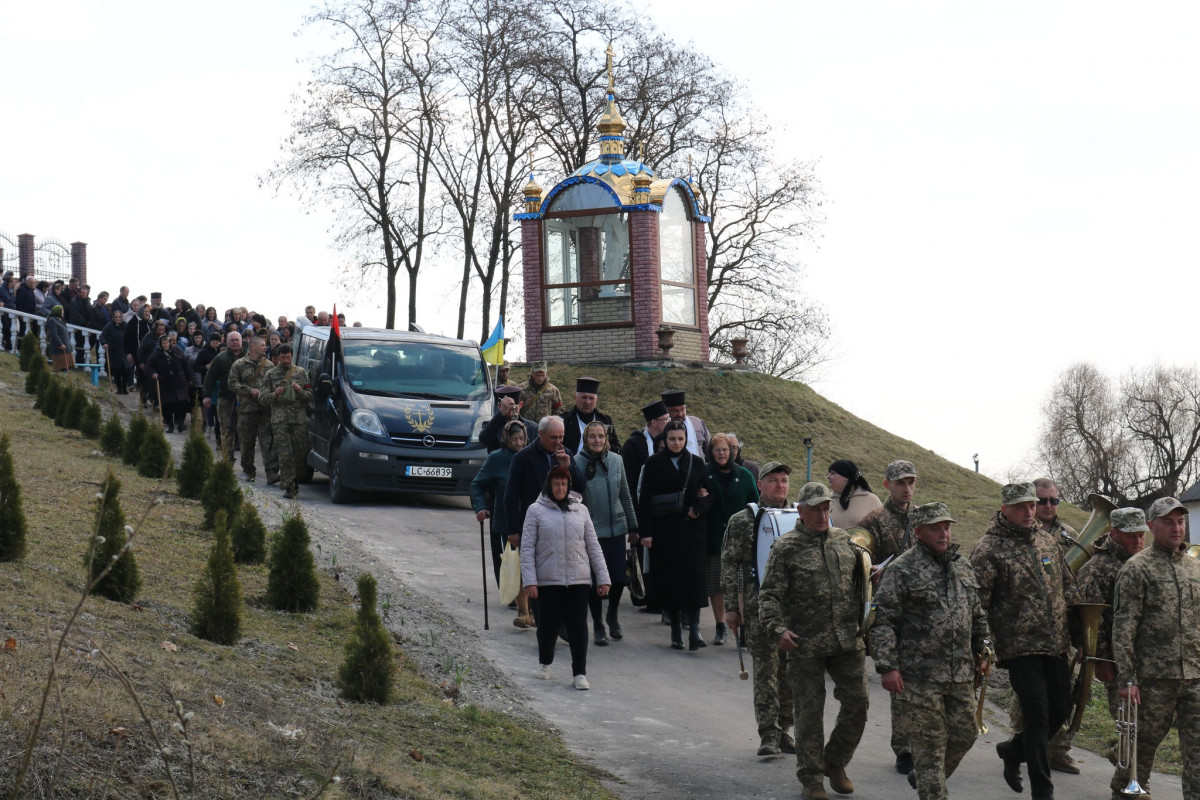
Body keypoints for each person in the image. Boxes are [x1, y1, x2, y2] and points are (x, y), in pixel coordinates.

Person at [870, 502, 992, 800]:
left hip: (960, 673)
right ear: (919, 532)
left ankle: (926, 774)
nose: (943, 533)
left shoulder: (962, 565)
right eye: (936, 528)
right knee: (930, 746)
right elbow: (882, 621)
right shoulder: (902, 569)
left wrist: (985, 647)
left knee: (966, 734)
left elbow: (976, 614)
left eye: (947, 527)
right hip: (918, 677)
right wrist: (888, 666)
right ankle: (930, 783)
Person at [759, 481, 868, 800]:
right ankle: (811, 778)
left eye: (826, 508)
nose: (823, 514)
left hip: (846, 640)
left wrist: (870, 572)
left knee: (858, 703)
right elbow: (769, 595)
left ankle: (834, 762)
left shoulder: (844, 540)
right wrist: (778, 630)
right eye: (816, 509)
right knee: (809, 712)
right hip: (804, 643)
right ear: (801, 511)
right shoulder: (786, 546)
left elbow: (858, 581)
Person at [970, 482, 1074, 800]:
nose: (1029, 511)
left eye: (1031, 505)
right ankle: (1043, 790)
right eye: (1021, 507)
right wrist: (982, 645)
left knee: (1060, 710)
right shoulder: (988, 550)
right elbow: (977, 604)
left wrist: (1082, 636)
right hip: (1019, 648)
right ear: (1005, 510)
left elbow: (1068, 588)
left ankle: (1013, 750)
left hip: (1056, 644)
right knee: (1038, 717)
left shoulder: (1047, 541)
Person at [1111, 496, 1200, 800]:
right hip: (1152, 681)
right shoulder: (1137, 568)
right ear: (1151, 526)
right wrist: (1127, 679)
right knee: (1139, 756)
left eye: (1180, 521)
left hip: (1195, 678)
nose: (1176, 528)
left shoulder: (1194, 569)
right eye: (1167, 521)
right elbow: (1124, 626)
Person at [721, 461, 797, 757]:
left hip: (794, 610)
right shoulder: (743, 520)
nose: (780, 486)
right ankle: (768, 733)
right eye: (774, 480)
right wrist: (731, 607)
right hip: (759, 610)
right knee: (766, 672)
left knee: (789, 674)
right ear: (760, 485)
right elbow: (730, 564)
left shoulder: (799, 518)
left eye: (784, 481)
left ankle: (785, 730)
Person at [521, 465, 611, 690]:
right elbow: (527, 548)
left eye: (564, 484)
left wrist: (603, 577)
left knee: (578, 626)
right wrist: (530, 581)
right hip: (548, 580)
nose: (560, 488)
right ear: (548, 485)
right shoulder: (535, 510)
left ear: (569, 486)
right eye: (556, 484)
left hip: (578, 579)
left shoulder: (581, 511)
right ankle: (545, 662)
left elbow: (593, 546)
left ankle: (579, 672)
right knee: (548, 624)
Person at [1070, 506, 1147, 765]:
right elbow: (1089, 619)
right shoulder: (1096, 568)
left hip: (1149, 657)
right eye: (1131, 536)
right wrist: (1100, 659)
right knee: (1130, 720)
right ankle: (1129, 780)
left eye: (1141, 535)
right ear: (1113, 533)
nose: (1138, 541)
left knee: (1149, 723)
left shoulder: (1145, 562)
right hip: (1117, 660)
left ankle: (1123, 757)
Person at [855, 459, 919, 775]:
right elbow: (860, 561)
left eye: (911, 483)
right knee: (901, 679)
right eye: (900, 483)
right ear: (887, 486)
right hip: (891, 611)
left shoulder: (924, 518)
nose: (907, 489)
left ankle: (925, 741)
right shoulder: (874, 522)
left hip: (922, 609)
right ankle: (904, 749)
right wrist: (873, 571)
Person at [637, 419, 715, 651]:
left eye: (681, 439)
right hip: (665, 531)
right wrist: (646, 533)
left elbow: (709, 493)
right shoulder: (653, 464)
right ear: (665, 439)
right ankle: (675, 632)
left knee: (694, 579)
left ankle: (695, 629)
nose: (677, 443)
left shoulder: (697, 463)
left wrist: (699, 507)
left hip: (692, 530)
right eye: (672, 439)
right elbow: (644, 500)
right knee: (670, 580)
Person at [574, 420, 638, 646]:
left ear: (607, 438)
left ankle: (612, 614)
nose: (597, 440)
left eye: (601, 436)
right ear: (586, 438)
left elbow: (625, 495)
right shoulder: (577, 462)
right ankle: (598, 623)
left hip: (616, 529)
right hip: (591, 532)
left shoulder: (617, 461)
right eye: (592, 436)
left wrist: (633, 525)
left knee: (619, 578)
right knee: (594, 581)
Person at [470, 420, 533, 627]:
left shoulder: (531, 456)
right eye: (514, 439)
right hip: (508, 521)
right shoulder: (497, 459)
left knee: (532, 565)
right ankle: (523, 611)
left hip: (532, 520)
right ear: (506, 439)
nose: (519, 443)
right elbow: (478, 484)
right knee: (516, 565)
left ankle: (534, 611)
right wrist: (480, 507)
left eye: (522, 438)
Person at [704, 432, 758, 646]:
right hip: (714, 538)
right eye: (717, 450)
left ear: (733, 452)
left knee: (741, 585)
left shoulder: (744, 475)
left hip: (741, 541)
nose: (722, 454)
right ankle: (720, 626)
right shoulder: (705, 473)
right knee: (716, 584)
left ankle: (742, 626)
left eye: (725, 449)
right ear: (711, 452)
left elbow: (755, 504)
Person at [261, 344, 312, 499]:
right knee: (285, 454)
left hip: (298, 420)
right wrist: (274, 395)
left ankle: (297, 477)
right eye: (282, 358)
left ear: (292, 356)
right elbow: (262, 399)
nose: (285, 360)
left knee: (302, 453)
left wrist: (299, 391)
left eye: (288, 357)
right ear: (278, 357)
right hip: (280, 420)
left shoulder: (301, 373)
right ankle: (290, 486)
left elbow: (309, 395)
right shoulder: (270, 374)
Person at [228, 335, 278, 483]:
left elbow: (274, 384)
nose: (265, 347)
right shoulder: (239, 364)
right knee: (247, 442)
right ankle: (249, 471)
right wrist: (249, 390)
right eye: (262, 345)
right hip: (246, 411)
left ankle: (271, 473)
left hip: (265, 410)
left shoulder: (269, 366)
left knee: (267, 442)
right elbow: (231, 383)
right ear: (253, 347)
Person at [203, 331, 243, 461]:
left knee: (244, 431)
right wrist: (207, 395)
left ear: (241, 341)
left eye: (237, 340)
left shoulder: (250, 356)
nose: (235, 342)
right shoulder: (220, 358)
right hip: (226, 399)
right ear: (227, 342)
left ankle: (247, 464)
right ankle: (227, 459)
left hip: (245, 400)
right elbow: (210, 378)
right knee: (226, 429)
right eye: (232, 340)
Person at [145, 334, 195, 432]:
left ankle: (181, 423)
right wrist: (153, 373)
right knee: (167, 406)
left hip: (179, 383)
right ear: (160, 344)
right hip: (165, 385)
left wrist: (190, 378)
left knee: (181, 404)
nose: (166, 345)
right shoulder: (156, 355)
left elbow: (186, 365)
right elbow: (148, 368)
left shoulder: (177, 351)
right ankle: (170, 424)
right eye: (164, 343)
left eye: (167, 342)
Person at [562, 376, 621, 455]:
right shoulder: (564, 420)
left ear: (596, 400)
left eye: (591, 398)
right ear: (575, 398)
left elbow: (619, 450)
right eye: (584, 397)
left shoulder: (605, 420)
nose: (587, 402)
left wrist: (609, 447)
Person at [826, 459, 882, 529]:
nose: (828, 477)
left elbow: (882, 529)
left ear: (845, 477)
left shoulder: (871, 500)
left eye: (832, 473)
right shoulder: (826, 500)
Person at [480, 384, 536, 453]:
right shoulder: (492, 425)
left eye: (513, 409)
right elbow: (484, 440)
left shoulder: (532, 427)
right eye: (507, 409)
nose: (510, 413)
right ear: (499, 406)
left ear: (521, 405)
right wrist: (501, 414)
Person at [660, 389, 711, 460]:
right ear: (666, 411)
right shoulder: (659, 426)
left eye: (682, 409)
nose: (680, 414)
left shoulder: (698, 424)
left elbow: (710, 450)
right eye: (675, 411)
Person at [99, 310, 132, 394]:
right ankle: (119, 388)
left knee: (126, 370)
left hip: (125, 351)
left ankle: (124, 388)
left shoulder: (125, 325)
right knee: (116, 371)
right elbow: (102, 336)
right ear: (113, 318)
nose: (118, 319)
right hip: (114, 351)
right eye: (116, 317)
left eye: (119, 317)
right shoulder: (109, 326)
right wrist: (104, 343)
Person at [45, 305, 72, 372]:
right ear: (57, 311)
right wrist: (60, 344)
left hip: (66, 348)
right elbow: (54, 334)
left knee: (66, 368)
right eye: (61, 310)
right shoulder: (52, 320)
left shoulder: (61, 320)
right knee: (60, 368)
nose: (63, 312)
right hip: (58, 348)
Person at [15, 275, 40, 340]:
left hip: (31, 314)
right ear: (26, 282)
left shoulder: (31, 290)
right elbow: (19, 302)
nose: (32, 284)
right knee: (22, 330)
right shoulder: (21, 290)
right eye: (30, 282)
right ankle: (19, 346)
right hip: (23, 314)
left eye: (33, 283)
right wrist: (21, 313)